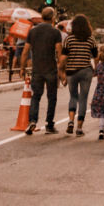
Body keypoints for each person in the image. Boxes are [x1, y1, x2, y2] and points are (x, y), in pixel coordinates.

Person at [20, 7, 64, 135]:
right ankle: (49, 124)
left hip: (37, 69)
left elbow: (25, 52)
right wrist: (62, 70)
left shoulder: (32, 31)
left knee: (36, 96)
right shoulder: (55, 32)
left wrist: (22, 68)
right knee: (52, 97)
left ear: (41, 17)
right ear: (52, 18)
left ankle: (32, 121)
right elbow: (59, 52)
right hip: (50, 68)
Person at [60, 14, 98, 136]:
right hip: (86, 70)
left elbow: (63, 58)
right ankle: (79, 128)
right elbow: (96, 56)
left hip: (71, 71)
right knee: (83, 98)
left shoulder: (69, 39)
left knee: (73, 96)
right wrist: (96, 68)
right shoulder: (91, 39)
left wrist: (62, 71)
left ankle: (71, 121)